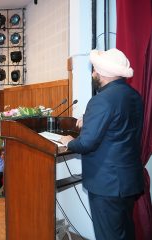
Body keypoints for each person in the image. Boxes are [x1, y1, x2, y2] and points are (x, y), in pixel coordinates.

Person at [59, 48, 144, 240]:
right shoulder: (133, 96)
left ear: (102, 74)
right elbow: (118, 128)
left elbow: (87, 143)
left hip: (107, 185)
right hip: (129, 181)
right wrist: (89, 119)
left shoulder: (101, 100)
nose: (92, 73)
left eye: (94, 70)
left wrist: (70, 142)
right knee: (125, 233)